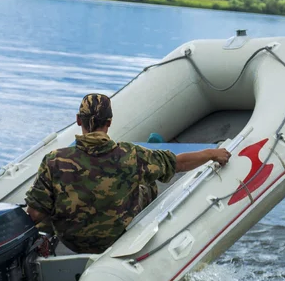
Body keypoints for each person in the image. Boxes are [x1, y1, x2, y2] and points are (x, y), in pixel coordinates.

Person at [25, 93, 231, 254]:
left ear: (78, 120)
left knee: (47, 199)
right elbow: (178, 163)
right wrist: (211, 153)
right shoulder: (130, 155)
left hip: (71, 241)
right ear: (110, 122)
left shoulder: (54, 160)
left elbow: (34, 214)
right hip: (112, 238)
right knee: (146, 183)